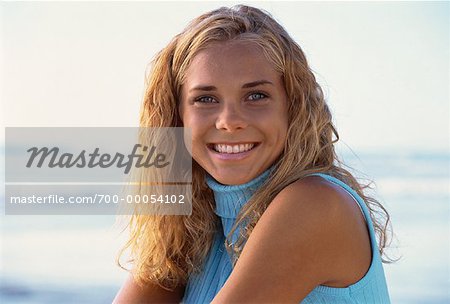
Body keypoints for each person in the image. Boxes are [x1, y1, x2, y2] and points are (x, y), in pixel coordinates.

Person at [113, 5, 392, 303]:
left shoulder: (316, 205)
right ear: (177, 117)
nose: (229, 120)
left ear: (293, 106)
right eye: (205, 99)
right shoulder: (194, 226)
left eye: (256, 96)